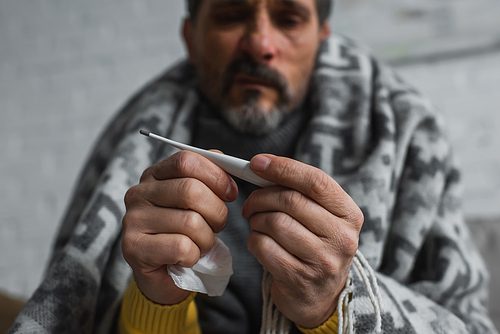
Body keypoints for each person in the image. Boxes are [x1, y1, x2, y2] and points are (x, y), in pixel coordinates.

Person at [8, 0, 498, 333]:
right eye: (231, 15)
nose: (261, 43)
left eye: (288, 18)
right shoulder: (127, 152)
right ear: (190, 37)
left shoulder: (408, 136)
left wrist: (337, 304)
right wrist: (154, 300)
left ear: (322, 35)